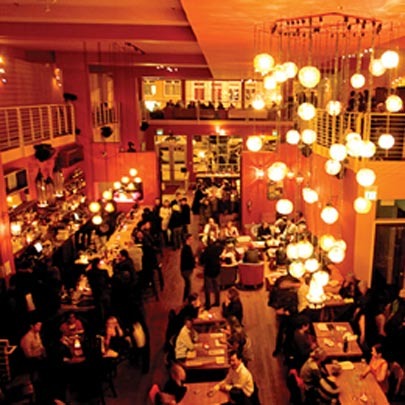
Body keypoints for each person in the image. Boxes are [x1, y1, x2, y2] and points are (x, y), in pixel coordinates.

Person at [200, 240, 223, 309]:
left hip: (208, 271)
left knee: (208, 288)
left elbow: (202, 261)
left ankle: (208, 304)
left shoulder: (206, 251)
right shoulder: (217, 249)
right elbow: (222, 249)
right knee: (217, 287)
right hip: (216, 270)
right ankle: (217, 302)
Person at [180, 234, 196, 302]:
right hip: (186, 270)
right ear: (187, 239)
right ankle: (186, 300)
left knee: (187, 285)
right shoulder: (186, 249)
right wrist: (194, 263)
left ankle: (185, 299)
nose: (192, 240)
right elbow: (189, 260)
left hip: (185, 270)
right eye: (191, 239)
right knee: (188, 286)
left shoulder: (186, 248)